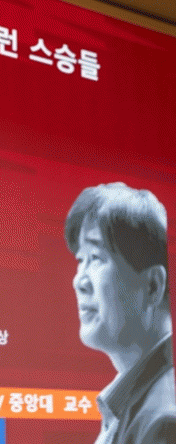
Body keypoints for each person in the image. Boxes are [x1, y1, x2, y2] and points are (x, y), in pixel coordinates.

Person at [65, 182, 176, 444]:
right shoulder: (132, 401)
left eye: (96, 258)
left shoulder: (162, 420)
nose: (79, 281)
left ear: (153, 285)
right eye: (81, 260)